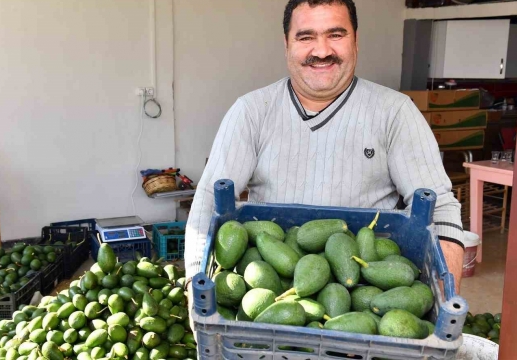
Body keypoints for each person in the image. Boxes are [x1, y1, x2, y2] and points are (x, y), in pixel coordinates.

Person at [184, 0, 464, 293]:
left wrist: (445, 296)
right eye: (306, 37)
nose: (321, 51)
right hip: (271, 289)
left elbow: (439, 208)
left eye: (336, 35)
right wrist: (195, 281)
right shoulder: (252, 112)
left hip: (365, 293)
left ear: (355, 41)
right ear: (287, 44)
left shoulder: (395, 112)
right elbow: (209, 197)